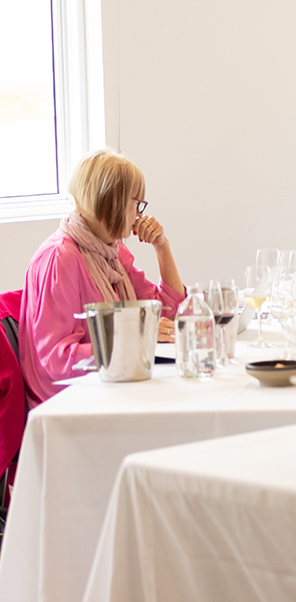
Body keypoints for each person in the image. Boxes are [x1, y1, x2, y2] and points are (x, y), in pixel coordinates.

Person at [19, 149, 185, 408]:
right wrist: (137, 339)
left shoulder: (112, 251)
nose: (139, 215)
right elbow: (57, 360)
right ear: (112, 202)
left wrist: (162, 246)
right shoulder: (59, 258)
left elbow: (165, 311)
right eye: (137, 204)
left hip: (109, 384)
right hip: (68, 401)